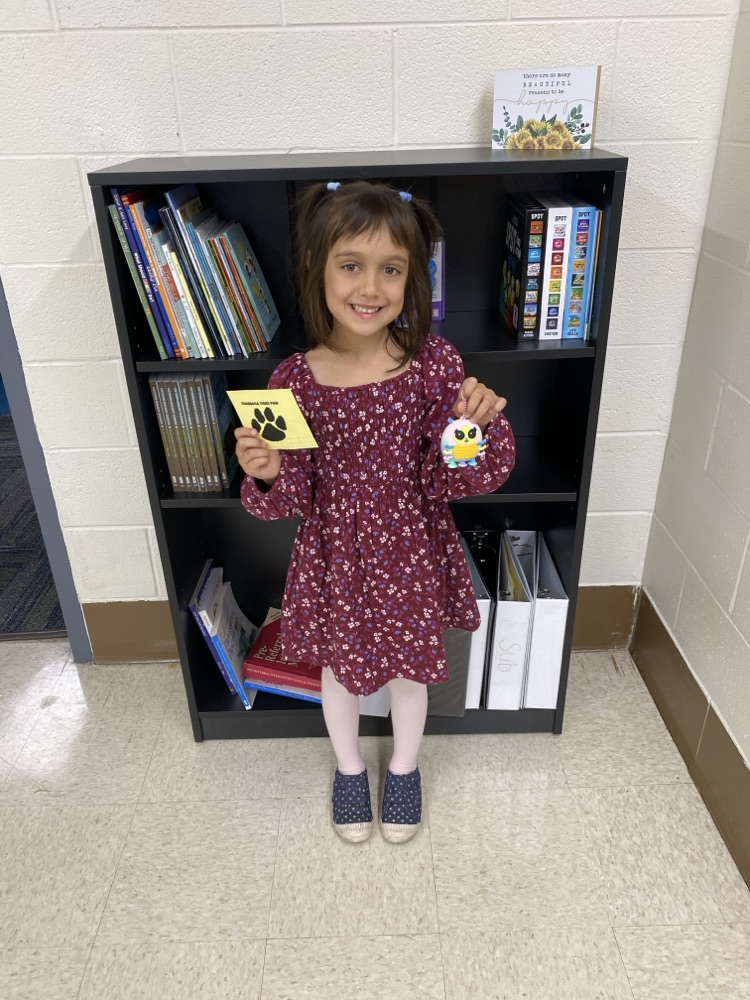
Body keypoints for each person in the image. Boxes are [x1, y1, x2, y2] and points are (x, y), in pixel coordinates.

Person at [236, 180, 516, 844]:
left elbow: (459, 470)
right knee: (339, 671)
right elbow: (293, 495)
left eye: (391, 268)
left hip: (410, 550)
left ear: (413, 277)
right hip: (333, 557)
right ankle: (349, 769)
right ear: (319, 269)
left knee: (408, 672)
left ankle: (407, 770)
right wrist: (271, 473)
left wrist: (470, 424)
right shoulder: (292, 381)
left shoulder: (434, 366)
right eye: (351, 264)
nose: (371, 286)